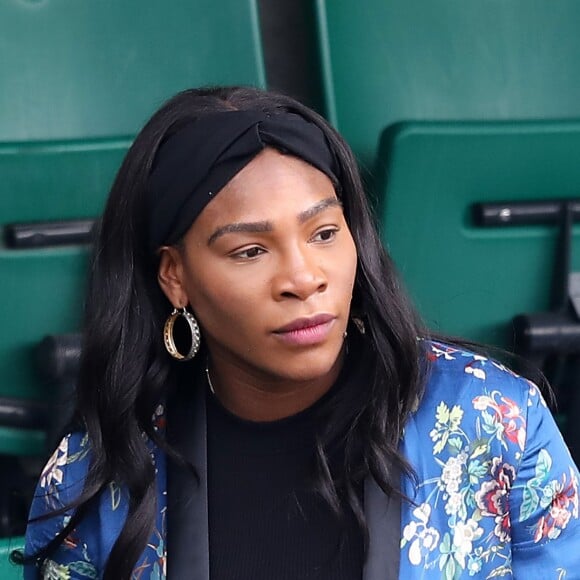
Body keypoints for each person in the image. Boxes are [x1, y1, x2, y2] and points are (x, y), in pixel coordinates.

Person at [22, 86, 580, 579]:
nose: (304, 278)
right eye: (250, 250)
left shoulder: (496, 420)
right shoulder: (98, 473)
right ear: (176, 277)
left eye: (324, 233)